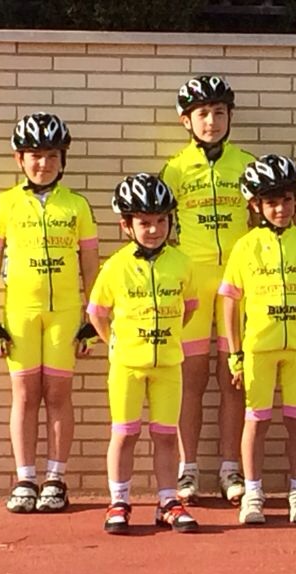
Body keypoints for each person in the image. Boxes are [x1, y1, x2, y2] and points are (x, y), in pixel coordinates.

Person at [0, 112, 99, 514]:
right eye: (34, 155)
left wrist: (91, 321)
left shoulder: (77, 205)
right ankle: (25, 478)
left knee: (58, 394)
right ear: (20, 159)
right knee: (26, 395)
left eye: (51, 155)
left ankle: (55, 478)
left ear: (62, 159)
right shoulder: (5, 204)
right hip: (20, 313)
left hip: (64, 314)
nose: (43, 163)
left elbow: (91, 268)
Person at [159, 75, 255, 506]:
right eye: (202, 114)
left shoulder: (247, 165)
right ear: (187, 121)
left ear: (230, 116)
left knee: (234, 378)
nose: (211, 121)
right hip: (193, 280)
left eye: (219, 113)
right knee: (191, 380)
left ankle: (231, 468)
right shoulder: (175, 169)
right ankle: (189, 468)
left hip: (239, 283)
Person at [88, 173, 199, 534]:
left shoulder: (181, 263)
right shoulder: (115, 266)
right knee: (125, 434)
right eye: (145, 223)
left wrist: (169, 335)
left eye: (161, 221)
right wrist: (114, 342)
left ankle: (168, 502)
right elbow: (97, 312)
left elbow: (189, 306)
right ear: (126, 225)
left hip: (168, 364)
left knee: (166, 434)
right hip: (127, 367)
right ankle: (119, 502)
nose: (154, 230)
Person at [221, 155, 296, 524]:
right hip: (259, 349)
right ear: (256, 205)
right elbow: (230, 302)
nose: (281, 209)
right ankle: (253, 493)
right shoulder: (245, 246)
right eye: (271, 203)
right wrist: (234, 353)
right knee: (257, 421)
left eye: (286, 200)